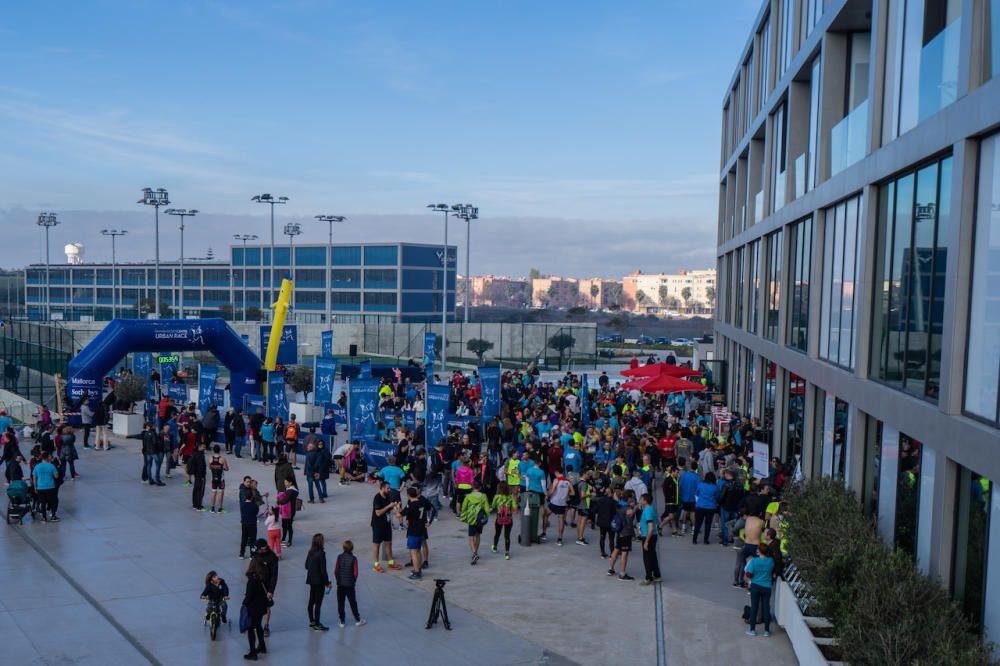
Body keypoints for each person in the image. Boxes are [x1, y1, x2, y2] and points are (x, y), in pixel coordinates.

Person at [401, 486, 433, 579]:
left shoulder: (411, 504)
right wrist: (428, 521)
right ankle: (418, 569)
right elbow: (431, 509)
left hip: (413, 530)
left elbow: (400, 515)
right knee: (418, 551)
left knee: (414, 552)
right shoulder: (422, 502)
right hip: (421, 530)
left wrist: (397, 509)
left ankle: (417, 572)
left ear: (408, 495)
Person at [242, 558, 271, 660]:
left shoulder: (252, 579)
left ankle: (253, 652)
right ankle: (262, 645)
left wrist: (244, 602)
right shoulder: (263, 576)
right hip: (261, 606)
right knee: (258, 625)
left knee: (250, 628)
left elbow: (249, 595)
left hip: (253, 607)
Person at [745, 542, 776, 637]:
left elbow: (748, 574)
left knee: (754, 607)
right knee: (766, 607)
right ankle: (766, 631)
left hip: (755, 586)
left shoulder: (754, 561)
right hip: (766, 586)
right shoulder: (771, 561)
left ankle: (752, 630)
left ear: (759, 551)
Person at [370, 481, 402, 572]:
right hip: (378, 525)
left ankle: (391, 562)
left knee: (389, 543)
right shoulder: (377, 498)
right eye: (387, 488)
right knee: (377, 544)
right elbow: (378, 513)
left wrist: (397, 507)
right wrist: (389, 506)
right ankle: (376, 564)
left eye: (389, 488)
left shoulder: (388, 496)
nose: (389, 490)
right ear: (382, 488)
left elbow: (393, 508)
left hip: (387, 523)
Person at [333, 540, 366, 628]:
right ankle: (358, 619)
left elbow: (336, 571)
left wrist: (338, 580)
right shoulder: (354, 559)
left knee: (340, 602)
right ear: (352, 548)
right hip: (350, 585)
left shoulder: (339, 557)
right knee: (352, 602)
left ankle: (342, 621)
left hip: (340, 584)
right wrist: (353, 581)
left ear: (343, 548)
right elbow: (355, 573)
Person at [253, 538, 280, 637]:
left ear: (263, 549)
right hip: (256, 585)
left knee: (267, 606)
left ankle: (266, 626)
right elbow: (251, 568)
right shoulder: (256, 554)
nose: (256, 551)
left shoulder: (272, 558)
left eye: (258, 549)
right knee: (255, 606)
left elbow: (274, 575)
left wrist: (271, 591)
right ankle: (256, 624)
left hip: (267, 586)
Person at [305, 533, 332, 631]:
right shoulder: (321, 553)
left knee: (311, 601)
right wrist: (327, 583)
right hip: (319, 581)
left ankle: (312, 621)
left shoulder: (310, 552)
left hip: (311, 580)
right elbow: (323, 571)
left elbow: (306, 566)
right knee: (318, 603)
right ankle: (317, 623)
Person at [459, 480, 490, 565]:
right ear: (480, 487)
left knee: (471, 536)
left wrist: (463, 516)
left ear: (472, 487)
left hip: (471, 518)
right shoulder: (483, 496)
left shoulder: (468, 496)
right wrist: (486, 516)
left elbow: (464, 508)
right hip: (480, 519)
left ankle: (474, 553)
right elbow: (487, 508)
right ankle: (476, 551)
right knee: (478, 535)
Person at [541, 469, 574, 546]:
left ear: (557, 472)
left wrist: (547, 496)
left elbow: (552, 491)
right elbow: (573, 493)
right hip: (563, 504)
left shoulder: (556, 480)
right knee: (561, 520)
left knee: (545, 515)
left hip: (554, 503)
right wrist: (565, 492)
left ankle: (544, 533)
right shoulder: (568, 481)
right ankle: (560, 539)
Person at [608, 491, 636, 581]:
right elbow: (630, 517)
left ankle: (610, 569)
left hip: (619, 531)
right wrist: (634, 508)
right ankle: (622, 574)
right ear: (629, 498)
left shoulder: (618, 505)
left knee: (616, 549)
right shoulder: (627, 507)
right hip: (626, 532)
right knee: (625, 553)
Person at [638, 492, 661, 585]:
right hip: (653, 536)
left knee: (647, 558)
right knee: (653, 556)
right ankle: (657, 575)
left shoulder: (647, 512)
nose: (640, 500)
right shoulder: (650, 508)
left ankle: (648, 578)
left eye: (641, 499)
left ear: (645, 501)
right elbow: (640, 506)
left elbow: (650, 527)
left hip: (648, 536)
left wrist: (646, 542)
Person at [490, 481, 516, 559]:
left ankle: (494, 547)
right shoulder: (510, 497)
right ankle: (507, 553)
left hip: (499, 518)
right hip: (508, 518)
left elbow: (493, 506)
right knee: (507, 535)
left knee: (497, 533)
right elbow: (514, 508)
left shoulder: (497, 496)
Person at [693, 471, 720, 544]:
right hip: (711, 507)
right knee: (708, 524)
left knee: (698, 523)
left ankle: (694, 539)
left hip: (700, 506)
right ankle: (706, 540)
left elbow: (696, 494)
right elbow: (717, 497)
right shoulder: (715, 487)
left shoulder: (700, 485)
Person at [32, 451, 60, 522]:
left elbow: (34, 478)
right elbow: (56, 476)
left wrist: (35, 487)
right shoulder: (51, 466)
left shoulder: (37, 466)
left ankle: (44, 517)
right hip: (50, 487)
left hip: (40, 487)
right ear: (47, 457)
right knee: (52, 502)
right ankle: (53, 516)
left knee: (42, 503)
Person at [239, 477, 260, 559]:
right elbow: (256, 512)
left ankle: (241, 554)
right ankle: (252, 554)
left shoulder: (243, 505)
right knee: (253, 539)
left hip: (244, 523)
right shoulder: (254, 505)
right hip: (252, 523)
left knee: (244, 538)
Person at [305, 440, 331, 504]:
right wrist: (317, 472)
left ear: (310, 448)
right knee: (318, 486)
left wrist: (311, 473)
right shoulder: (318, 454)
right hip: (317, 473)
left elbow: (308, 465)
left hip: (310, 473)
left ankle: (312, 499)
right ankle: (321, 498)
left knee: (310, 487)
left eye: (308, 447)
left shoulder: (308, 455)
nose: (307, 448)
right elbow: (318, 464)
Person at [276, 477, 299, 547]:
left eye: (286, 482)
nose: (285, 483)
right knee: (285, 525)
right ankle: (284, 539)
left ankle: (289, 540)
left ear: (290, 483)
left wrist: (278, 502)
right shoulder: (290, 490)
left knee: (288, 525)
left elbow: (285, 500)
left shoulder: (291, 491)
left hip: (289, 511)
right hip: (286, 510)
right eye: (284, 482)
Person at [209, 445, 230, 513]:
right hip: (221, 479)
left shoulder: (210, 458)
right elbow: (227, 469)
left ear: (213, 450)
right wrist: (221, 468)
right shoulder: (223, 459)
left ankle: (212, 508)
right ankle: (220, 509)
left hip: (213, 478)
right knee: (221, 493)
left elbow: (210, 468)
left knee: (214, 492)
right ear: (219, 450)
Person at [189, 442, 208, 511]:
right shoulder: (200, 455)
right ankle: (199, 506)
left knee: (196, 489)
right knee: (200, 490)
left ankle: (194, 504)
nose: (204, 448)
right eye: (203, 447)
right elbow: (200, 467)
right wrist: (202, 476)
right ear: (199, 447)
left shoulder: (195, 453)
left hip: (196, 475)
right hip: (200, 476)